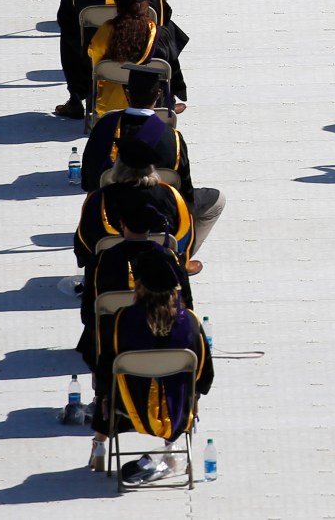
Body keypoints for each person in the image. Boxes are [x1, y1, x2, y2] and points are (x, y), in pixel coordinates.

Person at [88, 250, 212, 483]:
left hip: (129, 406)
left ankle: (98, 448)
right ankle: (173, 450)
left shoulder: (122, 320)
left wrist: (105, 395)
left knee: (110, 388)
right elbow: (205, 377)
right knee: (178, 386)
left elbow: (105, 370)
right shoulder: (190, 322)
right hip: (178, 410)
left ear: (139, 287)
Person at [81, 65, 228, 253]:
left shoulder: (104, 127)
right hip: (159, 215)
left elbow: (89, 180)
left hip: (110, 214)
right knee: (216, 200)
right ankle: (182, 257)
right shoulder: (172, 138)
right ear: (158, 94)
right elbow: (185, 190)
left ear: (127, 93)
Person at [78, 196, 194, 367]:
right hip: (167, 339)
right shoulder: (170, 258)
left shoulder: (103, 259)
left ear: (122, 224)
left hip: (117, 342)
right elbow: (187, 304)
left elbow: (88, 312)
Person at [85, 0, 187, 119]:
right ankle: (168, 106)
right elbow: (172, 67)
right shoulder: (159, 34)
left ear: (118, 7)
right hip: (151, 103)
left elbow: (95, 60)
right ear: (145, 5)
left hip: (110, 105)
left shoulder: (106, 30)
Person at [74, 171, 194, 269]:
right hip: (161, 280)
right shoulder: (172, 194)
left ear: (121, 224)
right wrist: (182, 263)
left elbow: (84, 243)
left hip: (110, 280)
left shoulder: (97, 198)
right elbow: (184, 237)